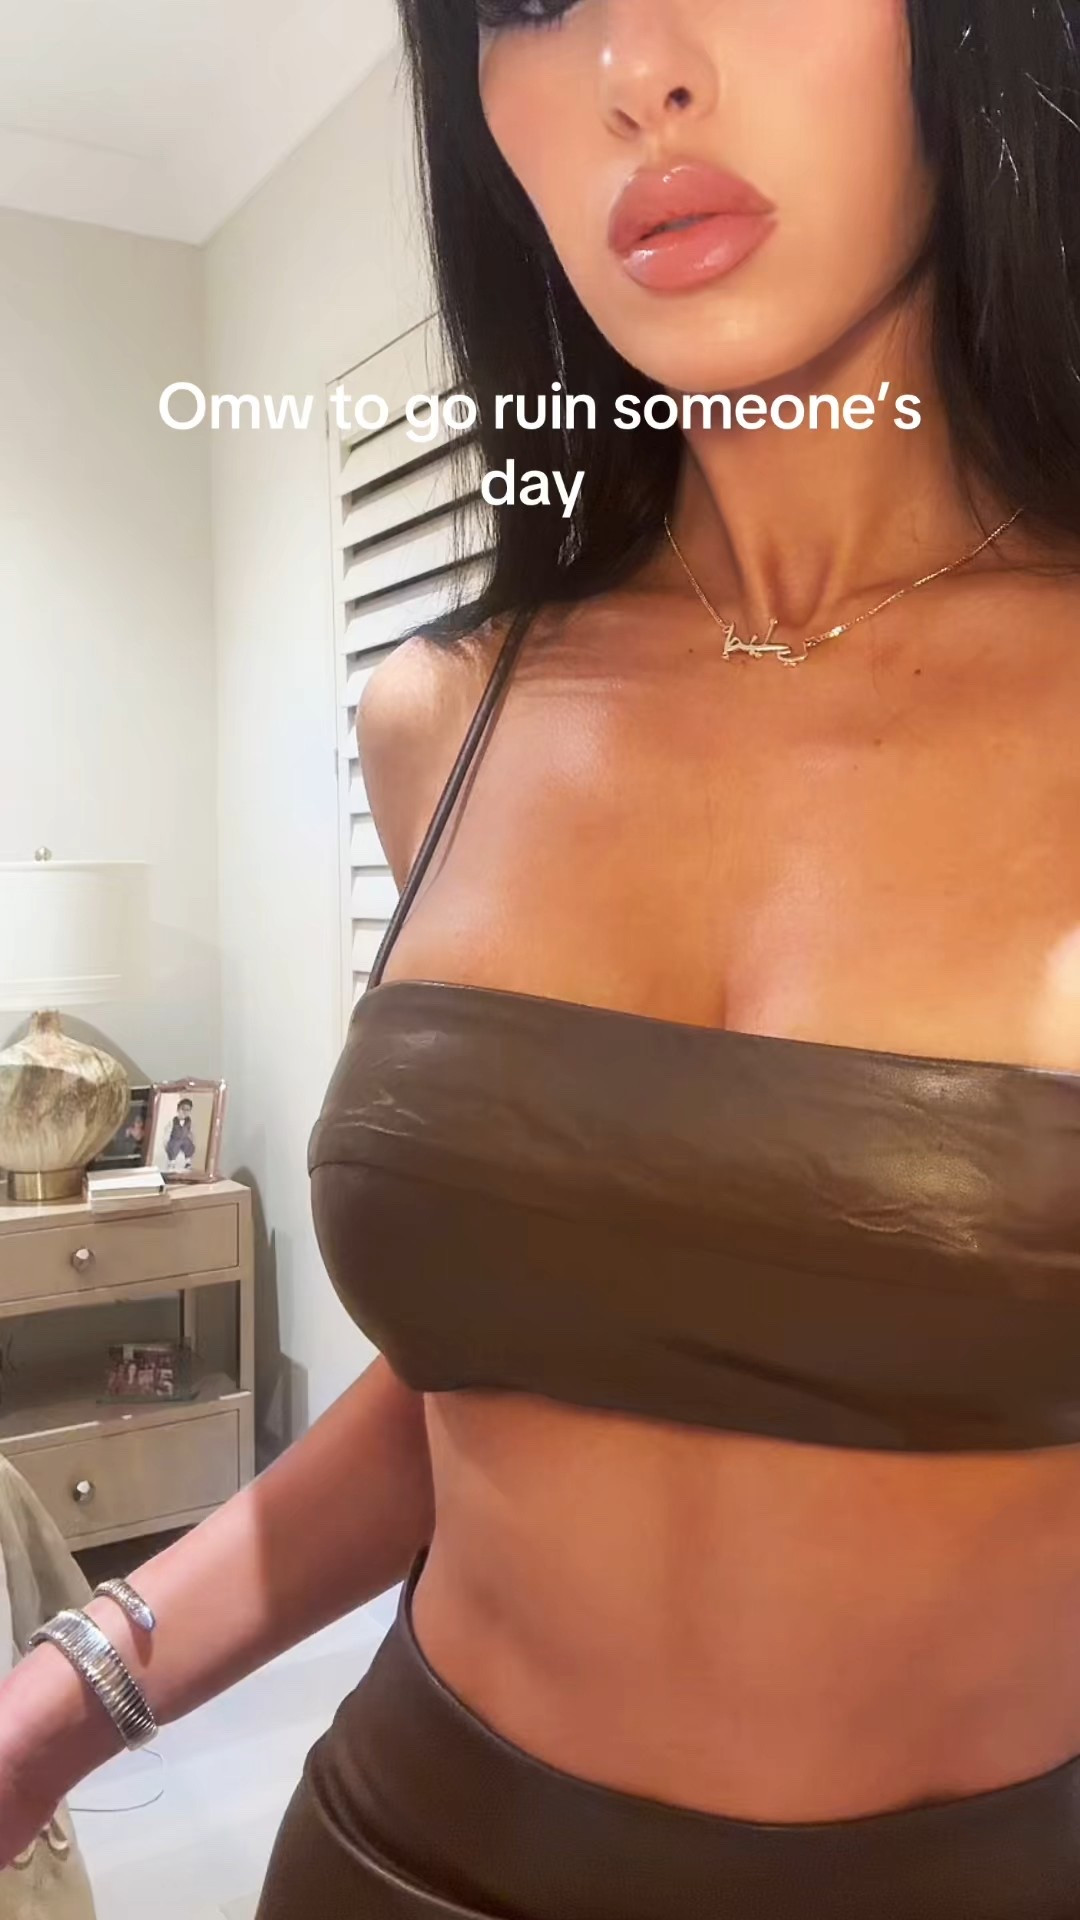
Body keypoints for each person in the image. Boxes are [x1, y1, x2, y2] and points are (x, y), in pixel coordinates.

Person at [3, 3, 1080, 1914]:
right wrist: (56, 1705)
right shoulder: (444, 712)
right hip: (395, 1860)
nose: (633, 65)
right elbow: (497, 1382)